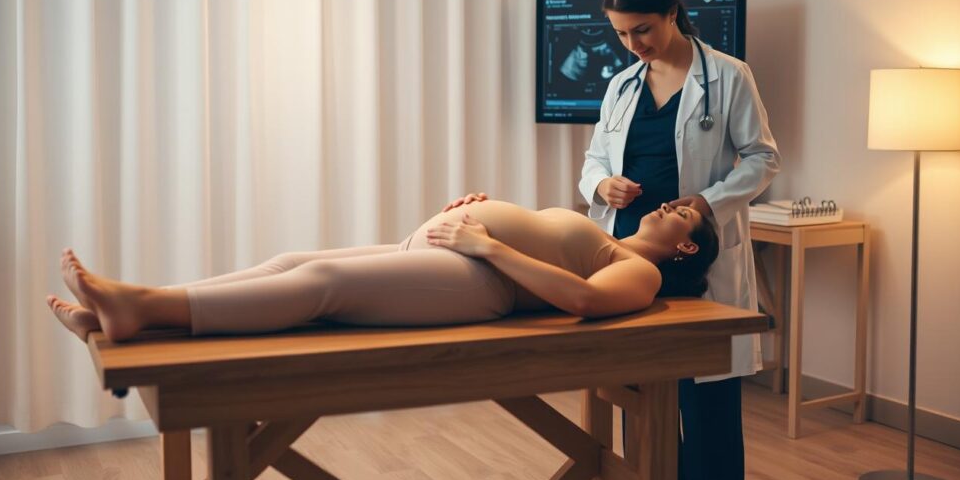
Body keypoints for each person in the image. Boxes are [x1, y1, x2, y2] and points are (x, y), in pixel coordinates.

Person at [579, 0, 780, 480]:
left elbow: (762, 158)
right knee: (639, 401)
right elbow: (593, 158)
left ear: (672, 13)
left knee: (707, 401)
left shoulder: (728, 76)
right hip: (631, 252)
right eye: (620, 33)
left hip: (697, 259)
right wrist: (602, 186)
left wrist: (710, 201)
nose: (632, 44)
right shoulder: (621, 84)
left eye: (641, 29)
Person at [47, 197, 719, 344]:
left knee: (322, 288)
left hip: (482, 285)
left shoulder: (645, 274)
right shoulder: (601, 225)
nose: (671, 203)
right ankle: (125, 311)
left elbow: (581, 298)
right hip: (446, 254)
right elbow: (546, 238)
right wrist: (477, 212)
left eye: (684, 211)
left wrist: (487, 243)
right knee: (294, 260)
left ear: (687, 247)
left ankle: (139, 307)